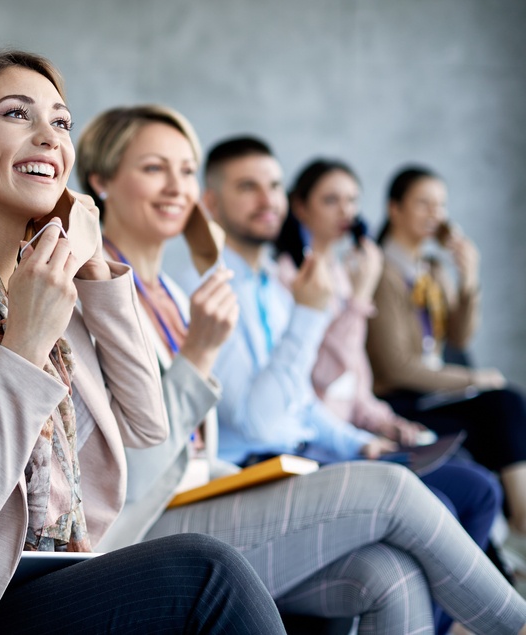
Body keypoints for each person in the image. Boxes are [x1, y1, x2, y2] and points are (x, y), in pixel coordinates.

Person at [0, 52, 287, 635]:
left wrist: (97, 271)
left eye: (61, 122)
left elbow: (148, 425)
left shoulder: (50, 284)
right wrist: (24, 344)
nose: (48, 137)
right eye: (17, 115)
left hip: (67, 572)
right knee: (208, 572)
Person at [76, 107, 526, 634]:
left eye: (186, 169)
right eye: (155, 168)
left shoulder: (175, 295)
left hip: (212, 491)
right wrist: (201, 354)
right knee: (393, 488)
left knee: (388, 574)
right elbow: (136, 475)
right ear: (101, 180)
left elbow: (211, 441)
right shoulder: (95, 298)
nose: (178, 187)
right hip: (143, 524)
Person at [273, 158, 506, 632]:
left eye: (352, 200)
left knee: (480, 486)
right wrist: (359, 298)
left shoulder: (345, 271)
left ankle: (448, 620)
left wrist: (386, 423)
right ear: (299, 206)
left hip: (360, 429)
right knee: (447, 494)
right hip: (319, 445)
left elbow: (354, 386)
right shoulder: (288, 278)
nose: (345, 210)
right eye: (330, 199)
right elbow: (317, 379)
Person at [369, 165, 526, 563]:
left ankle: (507, 542)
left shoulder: (433, 269)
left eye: (440, 205)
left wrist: (468, 278)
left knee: (501, 415)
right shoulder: (380, 270)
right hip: (400, 402)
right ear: (394, 208)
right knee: (502, 403)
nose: (434, 213)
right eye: (423, 203)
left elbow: (459, 336)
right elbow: (398, 367)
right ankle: (520, 523)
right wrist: (472, 378)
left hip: (432, 396)